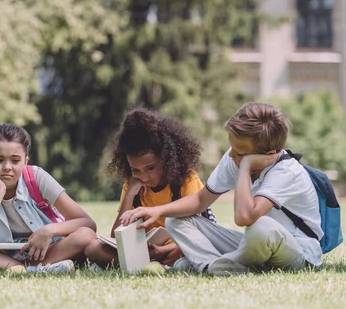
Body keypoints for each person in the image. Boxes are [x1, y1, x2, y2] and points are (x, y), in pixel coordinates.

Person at [120, 102, 322, 276]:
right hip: (253, 246)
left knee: (262, 227)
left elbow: (244, 217)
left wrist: (245, 166)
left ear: (267, 153)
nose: (231, 156)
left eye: (239, 153)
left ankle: (223, 261)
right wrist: (157, 211)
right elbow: (200, 201)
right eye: (231, 148)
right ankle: (212, 265)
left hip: (297, 251)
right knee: (176, 219)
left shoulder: (287, 171)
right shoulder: (236, 155)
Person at [0, 123, 97, 274]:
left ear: (25, 162)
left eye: (15, 161)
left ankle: (5, 268)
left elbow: (87, 223)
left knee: (85, 235)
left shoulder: (37, 177)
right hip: (0, 256)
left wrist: (49, 230)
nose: (7, 167)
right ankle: (20, 268)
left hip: (47, 251)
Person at [84, 107, 213, 270]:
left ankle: (153, 264)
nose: (144, 177)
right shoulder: (133, 187)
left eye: (150, 168)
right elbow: (117, 237)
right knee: (92, 248)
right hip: (145, 252)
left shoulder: (186, 180)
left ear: (166, 159)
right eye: (135, 170)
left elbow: (201, 232)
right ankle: (152, 265)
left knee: (189, 251)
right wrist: (130, 194)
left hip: (178, 249)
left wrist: (161, 251)